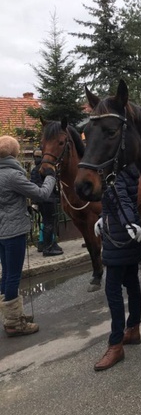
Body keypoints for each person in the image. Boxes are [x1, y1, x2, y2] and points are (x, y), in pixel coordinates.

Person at [0, 135, 56, 336]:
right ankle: (14, 323)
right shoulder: (12, 176)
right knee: (13, 275)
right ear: (14, 153)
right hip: (14, 231)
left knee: (6, 273)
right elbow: (41, 194)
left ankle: (11, 316)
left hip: (1, 231)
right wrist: (51, 177)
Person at [93, 164, 141, 371]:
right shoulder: (126, 168)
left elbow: (121, 200)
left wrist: (128, 223)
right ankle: (133, 329)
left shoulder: (115, 171)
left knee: (112, 290)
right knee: (132, 283)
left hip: (120, 236)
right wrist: (102, 218)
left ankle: (116, 344)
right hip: (122, 231)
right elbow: (115, 201)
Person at [30, 148, 63, 256]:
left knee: (46, 222)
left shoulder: (35, 169)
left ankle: (49, 244)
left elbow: (33, 185)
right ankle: (48, 247)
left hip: (41, 199)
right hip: (48, 198)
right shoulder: (46, 168)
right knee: (50, 222)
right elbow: (52, 184)